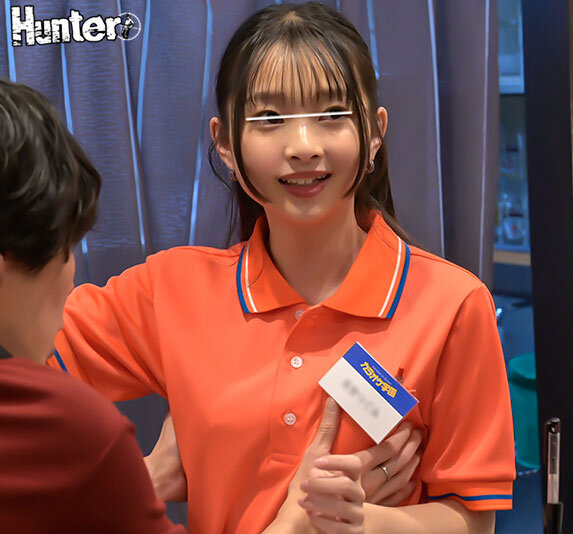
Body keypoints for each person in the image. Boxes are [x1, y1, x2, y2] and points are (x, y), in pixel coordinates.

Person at [47, 2, 516, 533]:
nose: (303, 147)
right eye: (269, 119)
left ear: (375, 132)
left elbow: (473, 519)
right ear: (225, 143)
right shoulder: (170, 290)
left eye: (332, 114)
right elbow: (24, 357)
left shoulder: (452, 305)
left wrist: (360, 523)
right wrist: (143, 480)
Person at [0, 78, 184, 533]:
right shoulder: (60, 424)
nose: (72, 277)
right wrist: (296, 521)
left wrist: (135, 483)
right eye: (66, 247)